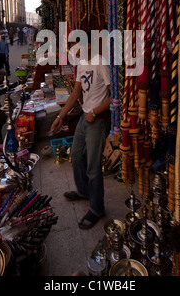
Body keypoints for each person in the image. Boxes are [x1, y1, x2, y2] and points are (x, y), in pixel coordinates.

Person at [50, 33, 111, 230]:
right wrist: (60, 117)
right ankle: (84, 191)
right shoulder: (82, 64)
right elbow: (76, 93)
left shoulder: (100, 62)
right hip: (85, 119)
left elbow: (115, 96)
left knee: (93, 167)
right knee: (76, 156)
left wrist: (94, 111)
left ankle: (97, 208)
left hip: (97, 120)